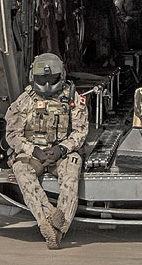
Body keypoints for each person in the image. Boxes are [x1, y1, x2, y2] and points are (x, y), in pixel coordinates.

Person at [5, 53, 88, 249]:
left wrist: (62, 149)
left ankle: (60, 228)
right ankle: (47, 219)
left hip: (61, 153)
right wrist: (33, 150)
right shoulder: (24, 100)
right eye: (43, 80)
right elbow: (12, 135)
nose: (48, 85)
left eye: (53, 80)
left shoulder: (73, 98)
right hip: (33, 153)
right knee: (23, 175)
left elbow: (81, 130)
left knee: (71, 174)